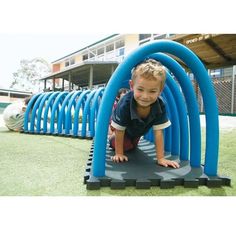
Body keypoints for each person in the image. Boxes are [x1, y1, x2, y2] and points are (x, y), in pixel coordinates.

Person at [109, 59, 179, 168]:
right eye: (140, 89)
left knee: (132, 146)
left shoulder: (159, 105)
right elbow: (120, 130)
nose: (145, 96)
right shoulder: (125, 103)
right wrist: (119, 153)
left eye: (152, 91)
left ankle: (132, 140)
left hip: (137, 132)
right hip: (122, 131)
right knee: (125, 145)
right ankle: (111, 136)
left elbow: (158, 132)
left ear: (160, 90)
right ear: (132, 86)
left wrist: (160, 158)